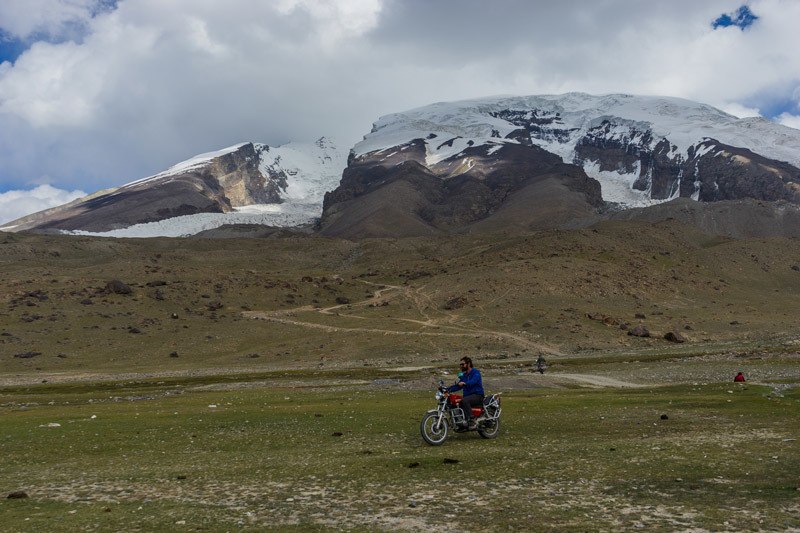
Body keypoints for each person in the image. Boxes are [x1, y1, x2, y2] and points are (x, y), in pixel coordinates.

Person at [448, 356, 484, 429]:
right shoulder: (464, 376)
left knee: (464, 400)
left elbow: (474, 381)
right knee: (453, 402)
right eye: (460, 364)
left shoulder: (475, 372)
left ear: (468, 364)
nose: (461, 366)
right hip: (468, 397)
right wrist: (447, 389)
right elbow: (458, 386)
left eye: (463, 364)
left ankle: (472, 420)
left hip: (477, 395)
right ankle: (459, 421)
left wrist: (465, 383)